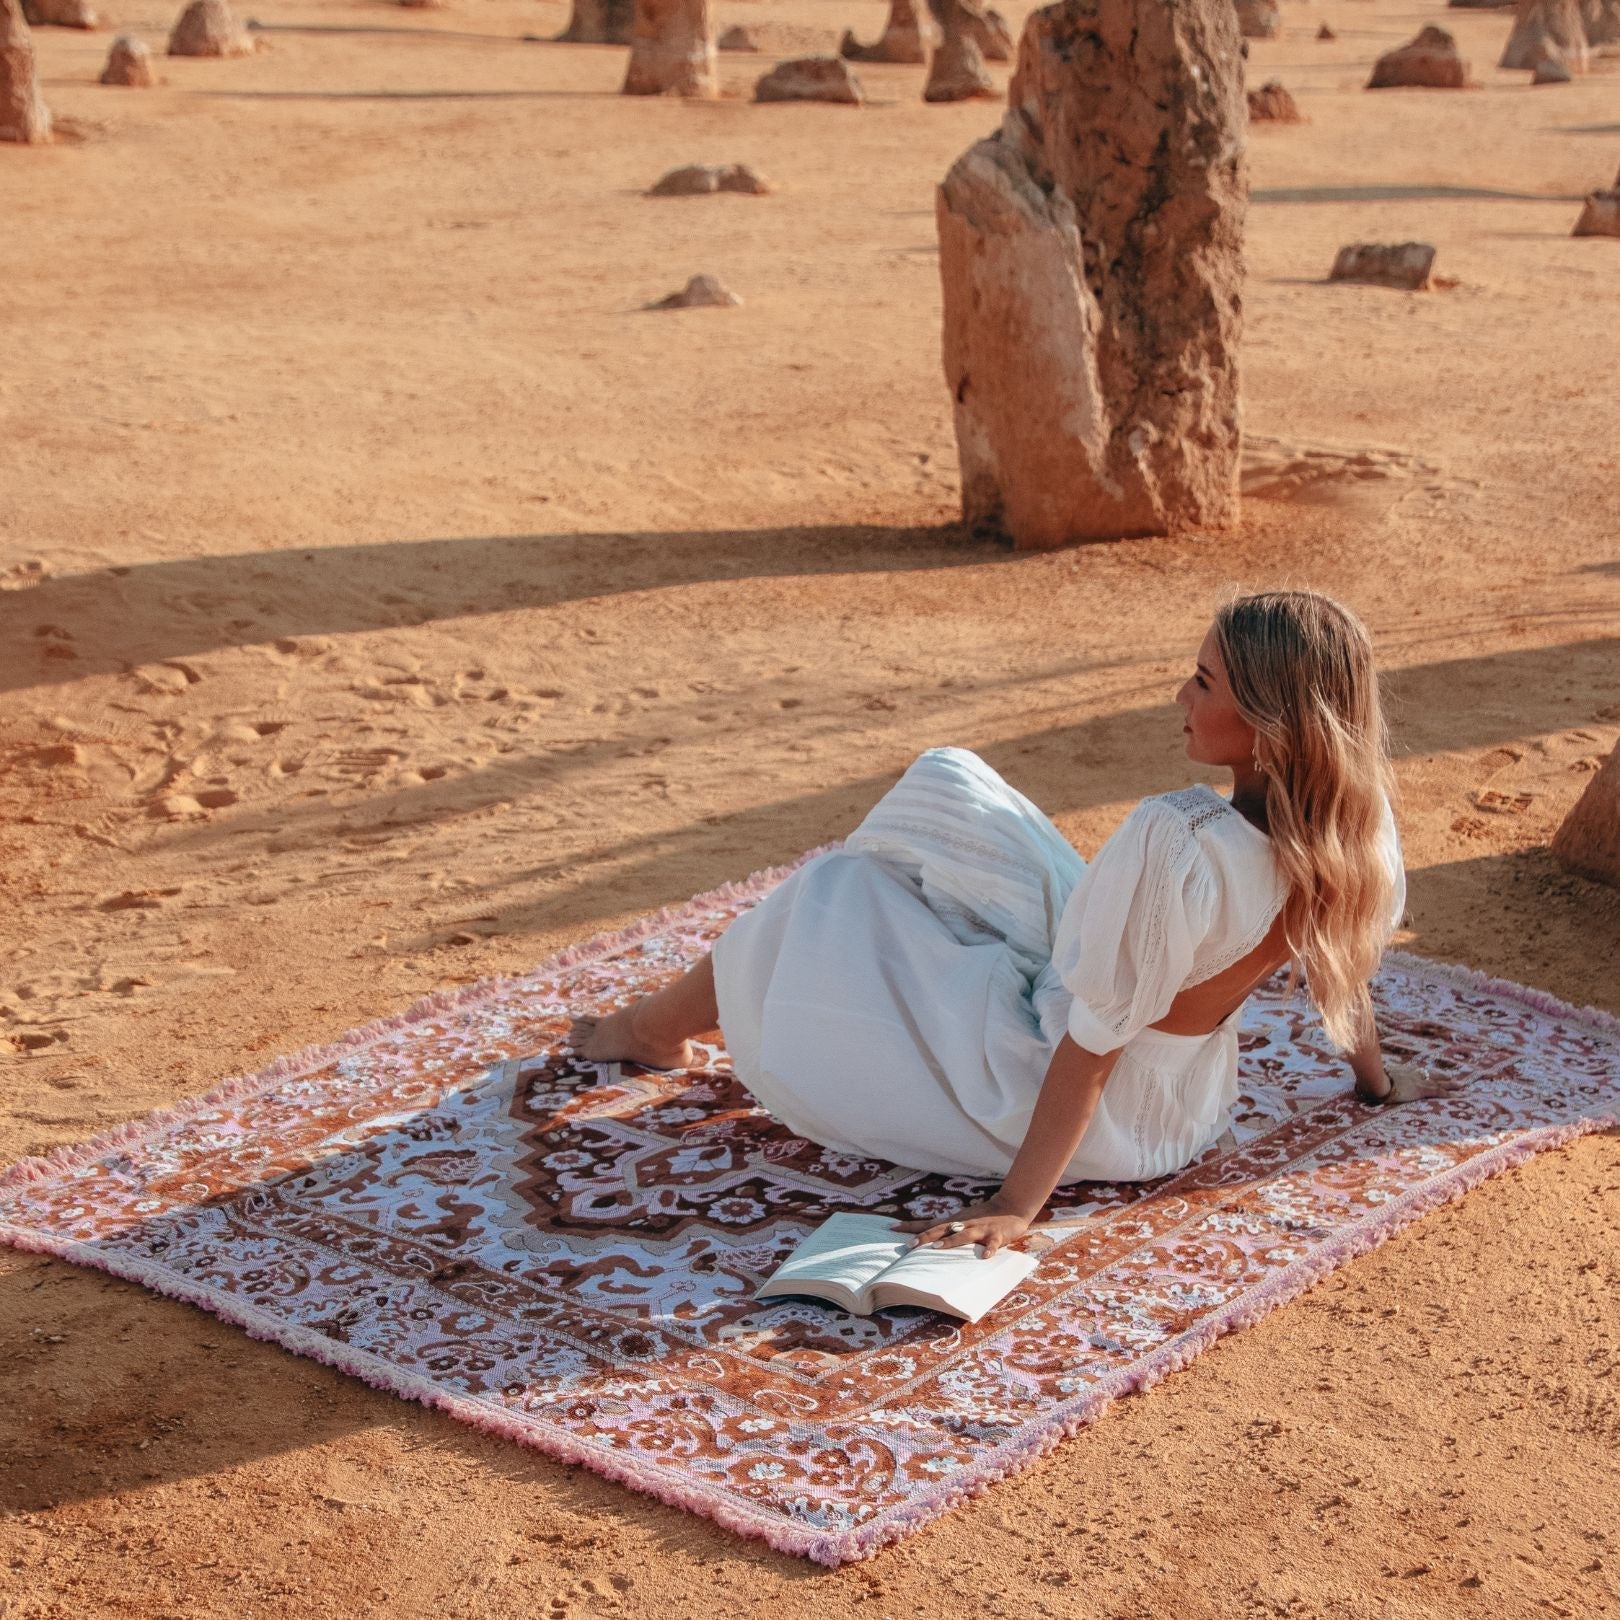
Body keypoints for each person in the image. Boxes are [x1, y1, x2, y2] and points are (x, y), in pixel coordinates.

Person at [569, 590, 1455, 1260]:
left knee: (834, 891)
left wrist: (1015, 1207)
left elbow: (1091, 1042)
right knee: (947, 781)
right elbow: (1350, 962)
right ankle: (889, 923)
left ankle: (649, 1029)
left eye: (1203, 680)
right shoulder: (1352, 823)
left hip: (1060, 1088)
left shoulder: (1175, 839)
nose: (1179, 693)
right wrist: (1373, 1082)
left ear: (1267, 725)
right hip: (1189, 1104)